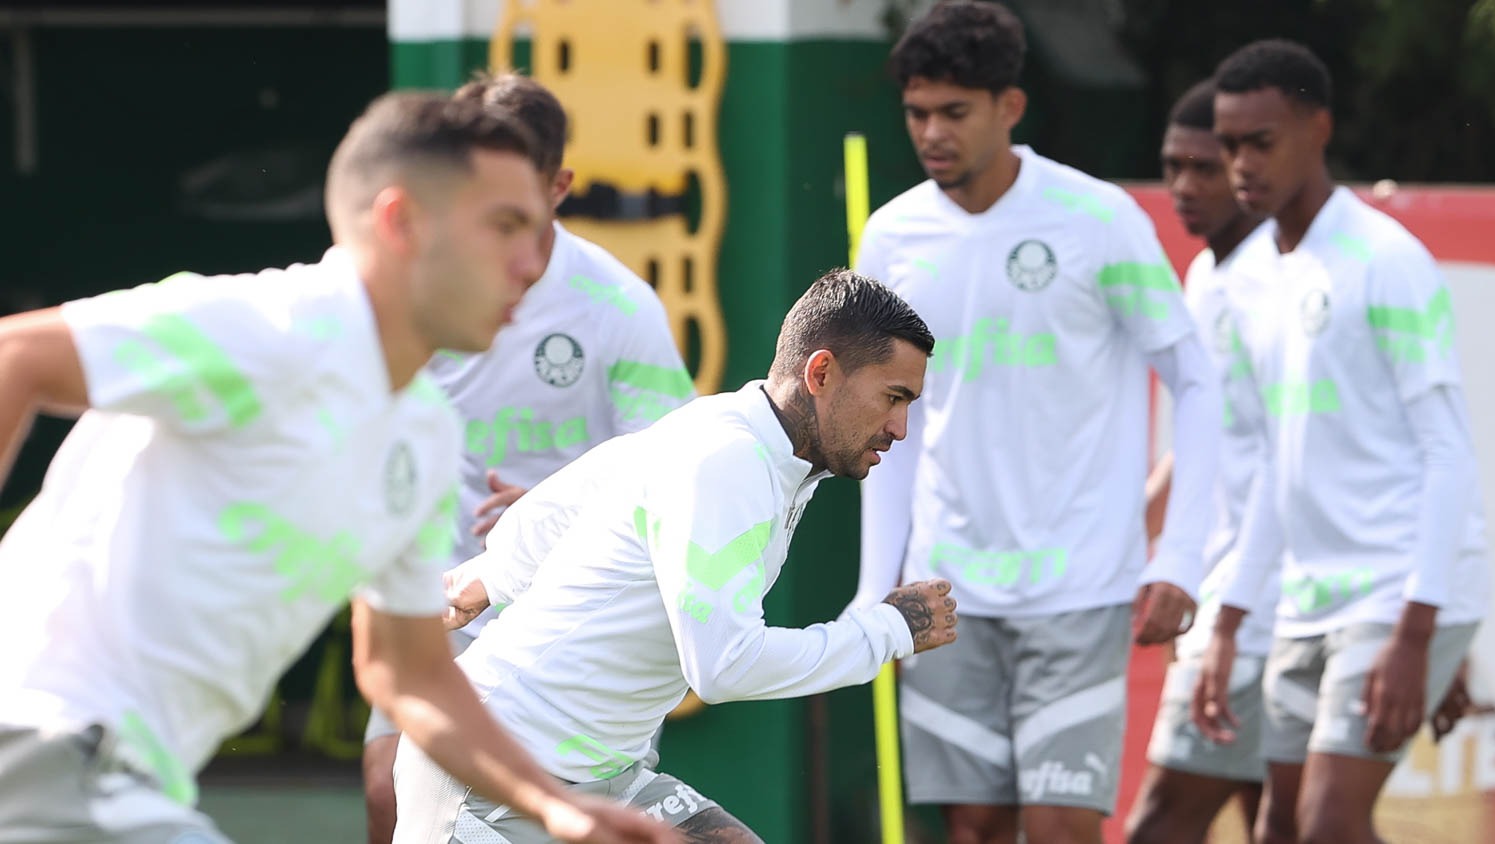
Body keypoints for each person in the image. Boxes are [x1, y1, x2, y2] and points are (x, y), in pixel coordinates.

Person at [0, 91, 675, 844]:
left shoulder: (419, 437)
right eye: (504, 227)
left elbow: (409, 674)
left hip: (122, 782)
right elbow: (15, 356)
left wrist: (559, 808)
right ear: (400, 223)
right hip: (42, 742)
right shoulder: (273, 327)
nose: (530, 262)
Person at [392, 269, 960, 843]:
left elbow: (600, 474)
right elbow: (724, 664)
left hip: (605, 775)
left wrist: (497, 572)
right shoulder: (729, 460)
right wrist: (887, 630)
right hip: (483, 769)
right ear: (820, 373)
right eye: (893, 398)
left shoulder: (745, 436)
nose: (900, 427)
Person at [847, 3, 1223, 842]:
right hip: (948, 586)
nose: (932, 133)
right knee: (976, 826)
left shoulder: (1098, 221)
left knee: (1059, 828)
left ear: (1009, 108)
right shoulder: (893, 234)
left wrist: (1182, 558)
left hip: (1081, 586)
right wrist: (879, 583)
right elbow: (885, 426)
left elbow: (1197, 383)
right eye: (917, 113)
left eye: (955, 112)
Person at [362, 72, 695, 844]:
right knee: (389, 789)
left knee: (568, 824)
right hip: (437, 588)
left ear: (559, 186)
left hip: (568, 617)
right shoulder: (420, 289)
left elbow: (677, 473)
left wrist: (551, 514)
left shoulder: (621, 309)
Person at [1193, 39, 1490, 844]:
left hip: (1393, 599)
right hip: (1301, 602)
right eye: (1229, 146)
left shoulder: (1387, 260)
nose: (1241, 164)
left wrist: (1419, 635)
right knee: (1279, 832)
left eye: (1262, 142)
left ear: (1318, 129)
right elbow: (1274, 474)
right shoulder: (1258, 279)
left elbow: (1448, 453)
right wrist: (1226, 627)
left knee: (1328, 825)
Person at [1124, 78, 1271, 844]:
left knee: (1158, 827)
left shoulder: (1279, 285)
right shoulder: (1210, 275)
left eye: (1204, 167)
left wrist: (1227, 616)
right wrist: (1128, 539)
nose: (1184, 185)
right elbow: (1214, 437)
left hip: (1261, 609)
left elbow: (1288, 463)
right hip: (1241, 604)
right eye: (1172, 165)